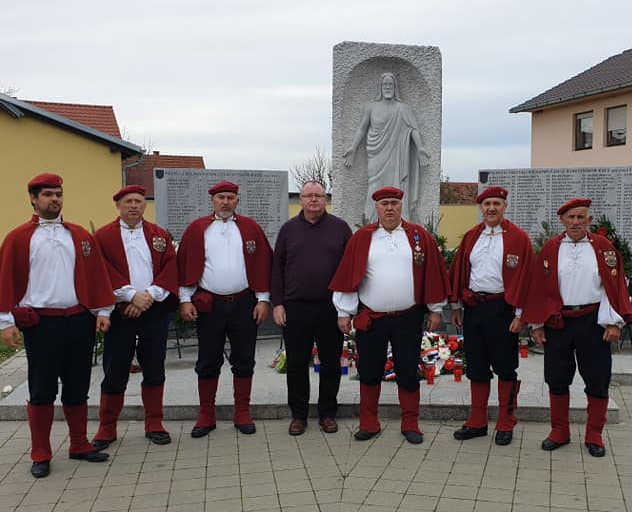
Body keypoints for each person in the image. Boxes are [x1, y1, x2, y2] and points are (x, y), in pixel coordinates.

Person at [0, 173, 114, 478]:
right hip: (42, 326)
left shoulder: (79, 235)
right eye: (48, 194)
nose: (55, 199)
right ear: (33, 199)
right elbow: (5, 280)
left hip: (79, 321)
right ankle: (40, 451)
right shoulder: (19, 238)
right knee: (42, 389)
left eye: (59, 194)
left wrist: (102, 310)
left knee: (78, 385)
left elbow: (95, 277)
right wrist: (5, 322)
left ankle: (79, 443)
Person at [329, 187, 450, 444]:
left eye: (394, 203)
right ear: (377, 208)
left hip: (408, 317)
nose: (390, 208)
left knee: (407, 370)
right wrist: (344, 312)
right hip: (372, 319)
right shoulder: (362, 238)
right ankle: (369, 423)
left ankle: (410, 423)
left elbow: (432, 273)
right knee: (370, 370)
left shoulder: (418, 236)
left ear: (401, 205)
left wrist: (435, 309)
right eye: (384, 203)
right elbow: (350, 276)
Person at [526, 198, 632, 457]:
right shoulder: (551, 248)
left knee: (597, 380)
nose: (575, 222)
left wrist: (613, 322)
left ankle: (594, 434)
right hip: (558, 322)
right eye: (570, 218)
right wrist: (538, 325)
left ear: (589, 220)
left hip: (592, 321)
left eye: (580, 217)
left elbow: (614, 286)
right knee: (557, 378)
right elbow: (539, 288)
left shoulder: (603, 248)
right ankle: (559, 431)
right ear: (562, 221)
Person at [177, 180, 272, 438]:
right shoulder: (198, 229)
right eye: (221, 197)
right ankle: (206, 415)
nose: (226, 202)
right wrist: (185, 298)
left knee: (244, 359)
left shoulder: (250, 228)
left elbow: (263, 263)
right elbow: (185, 263)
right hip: (210, 305)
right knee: (208, 359)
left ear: (237, 201)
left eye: (230, 197)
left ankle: (242, 412)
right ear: (213, 201)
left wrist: (263, 299)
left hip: (243, 304)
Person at [92, 185, 178, 448]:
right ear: (118, 205)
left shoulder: (158, 235)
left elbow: (170, 267)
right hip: (120, 314)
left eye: (139, 202)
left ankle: (154, 423)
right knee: (115, 369)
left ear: (144, 206)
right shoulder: (104, 237)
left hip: (152, 312)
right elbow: (99, 270)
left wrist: (146, 297)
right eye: (128, 201)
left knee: (154, 368)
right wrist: (129, 296)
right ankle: (107, 427)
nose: (134, 206)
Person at [449, 186, 534, 446]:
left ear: (505, 206)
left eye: (496, 203)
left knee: (506, 367)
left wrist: (520, 314)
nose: (491, 208)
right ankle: (477, 421)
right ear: (481, 208)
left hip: (502, 309)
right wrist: (456, 306)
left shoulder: (518, 238)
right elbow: (460, 270)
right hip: (475, 308)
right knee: (476, 367)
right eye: (487, 204)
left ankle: (506, 422)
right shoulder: (472, 236)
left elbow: (526, 277)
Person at [271, 181, 353, 436]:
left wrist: (347, 309)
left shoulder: (340, 228)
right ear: (300, 200)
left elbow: (351, 269)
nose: (314, 200)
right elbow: (277, 269)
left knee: (330, 363)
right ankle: (298, 415)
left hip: (331, 308)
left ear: (325, 199)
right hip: (296, 308)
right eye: (308, 195)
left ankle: (327, 413)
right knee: (296, 364)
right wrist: (278, 304)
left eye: (319, 195)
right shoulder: (288, 230)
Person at [343, 73, 429, 223]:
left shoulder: (403, 108)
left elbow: (414, 129)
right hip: (376, 154)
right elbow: (362, 128)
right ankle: (368, 223)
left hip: (397, 156)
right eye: (385, 85)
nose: (387, 88)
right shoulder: (371, 107)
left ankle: (399, 224)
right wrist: (353, 147)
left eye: (390, 85)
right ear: (381, 88)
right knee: (374, 187)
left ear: (395, 87)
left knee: (397, 190)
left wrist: (420, 147)